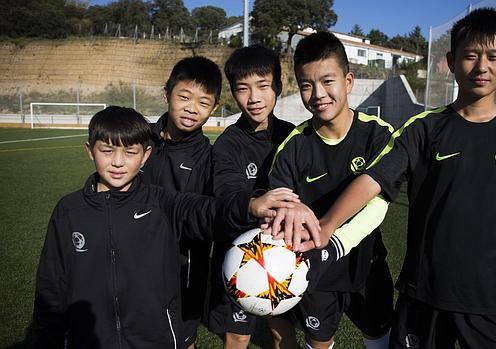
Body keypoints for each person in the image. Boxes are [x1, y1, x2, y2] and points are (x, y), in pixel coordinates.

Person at [291, 8, 496, 348]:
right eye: (471, 56)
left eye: (493, 57)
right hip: (424, 292)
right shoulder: (424, 128)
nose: (481, 67)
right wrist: (327, 226)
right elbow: (374, 179)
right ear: (452, 60)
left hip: (491, 298)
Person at [32, 106, 284, 348]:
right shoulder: (69, 210)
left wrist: (249, 205)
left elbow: (208, 211)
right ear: (90, 150)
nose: (118, 162)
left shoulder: (161, 203)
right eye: (107, 151)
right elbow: (52, 283)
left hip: (155, 339)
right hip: (90, 340)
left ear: (146, 155)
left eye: (130, 152)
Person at [268, 32, 394, 349]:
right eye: (307, 85)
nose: (318, 94)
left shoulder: (379, 134)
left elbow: (379, 202)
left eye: (327, 81)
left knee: (379, 337)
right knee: (319, 342)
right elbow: (281, 205)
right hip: (315, 271)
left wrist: (333, 241)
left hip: (366, 264)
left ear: (348, 81)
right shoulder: (293, 148)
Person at [206, 45, 297, 349]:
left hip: (286, 255)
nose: (254, 98)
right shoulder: (227, 144)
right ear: (233, 92)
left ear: (278, 87)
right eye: (243, 89)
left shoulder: (293, 136)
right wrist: (255, 203)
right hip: (240, 257)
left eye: (262, 86)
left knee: (282, 331)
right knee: (238, 336)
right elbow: (227, 194)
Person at [139, 56, 220, 348]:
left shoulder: (208, 159)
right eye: (184, 96)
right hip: (132, 259)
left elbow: (205, 220)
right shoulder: (139, 140)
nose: (191, 108)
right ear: (166, 94)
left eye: (203, 102)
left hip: (183, 270)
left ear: (214, 108)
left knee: (182, 340)